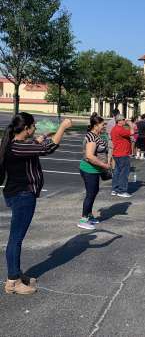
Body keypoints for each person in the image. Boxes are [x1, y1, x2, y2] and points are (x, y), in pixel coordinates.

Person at [1, 113, 72, 295]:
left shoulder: (17, 143)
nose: (35, 129)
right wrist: (62, 127)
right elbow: (48, 149)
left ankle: (16, 274)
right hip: (22, 196)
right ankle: (12, 281)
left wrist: (43, 137)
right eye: (33, 127)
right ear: (26, 129)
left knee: (16, 238)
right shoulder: (18, 147)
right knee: (16, 239)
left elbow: (37, 145)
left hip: (20, 194)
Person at [78, 113, 110, 230]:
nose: (104, 127)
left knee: (94, 192)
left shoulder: (97, 135)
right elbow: (90, 156)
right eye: (102, 125)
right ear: (95, 125)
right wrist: (104, 165)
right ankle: (83, 219)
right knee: (90, 194)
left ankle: (89, 215)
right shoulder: (91, 137)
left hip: (95, 170)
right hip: (89, 169)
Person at [111, 115, 133, 198]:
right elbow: (131, 133)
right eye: (123, 119)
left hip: (117, 153)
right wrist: (130, 125)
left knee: (117, 172)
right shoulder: (119, 129)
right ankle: (122, 190)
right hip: (122, 154)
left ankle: (115, 189)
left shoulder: (115, 128)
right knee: (124, 173)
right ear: (119, 121)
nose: (125, 120)